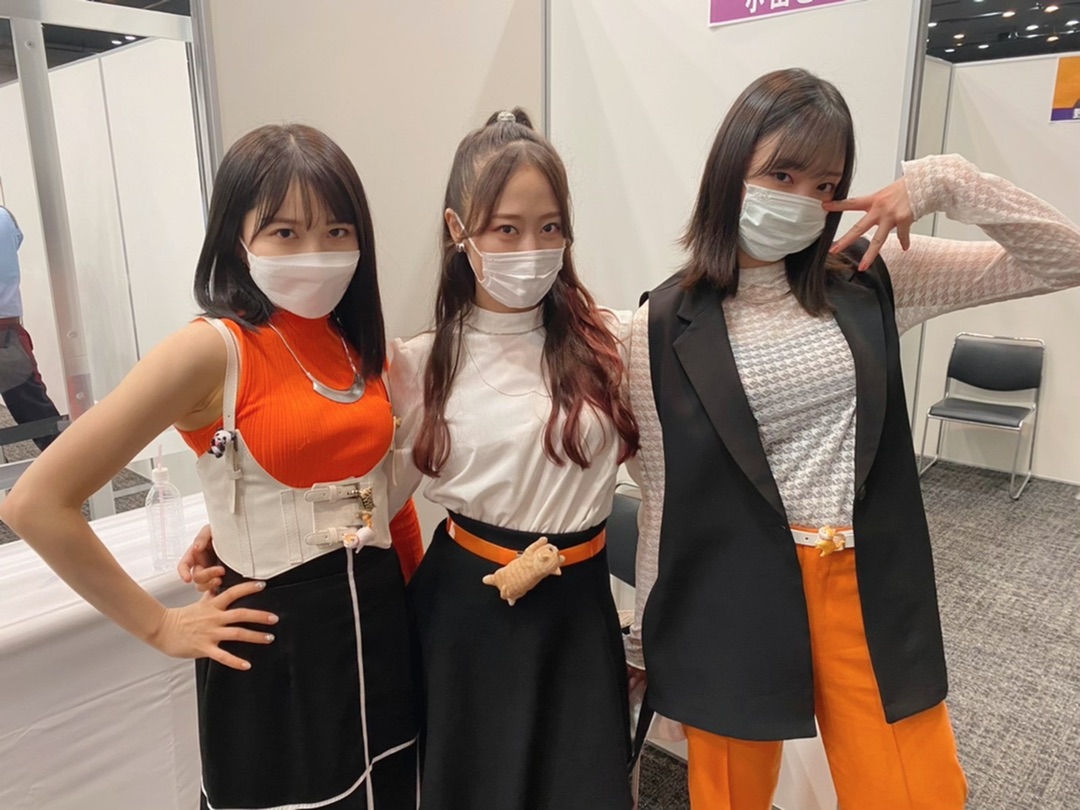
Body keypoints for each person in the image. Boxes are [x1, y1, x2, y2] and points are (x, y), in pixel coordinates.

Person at [626, 68, 1080, 810]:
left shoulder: (872, 274)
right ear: (730, 170)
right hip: (730, 595)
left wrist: (943, 183)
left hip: (861, 581)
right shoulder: (657, 323)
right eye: (782, 175)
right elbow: (662, 494)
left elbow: (1067, 258)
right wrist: (652, 642)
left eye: (825, 184)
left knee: (916, 792)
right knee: (731, 797)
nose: (803, 200)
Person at [0, 124, 424, 810]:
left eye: (337, 231)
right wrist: (160, 626)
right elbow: (35, 503)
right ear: (237, 239)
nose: (316, 252)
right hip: (276, 649)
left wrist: (417, 607)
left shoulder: (357, 344)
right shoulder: (211, 350)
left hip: (377, 625)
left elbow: (382, 494)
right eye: (285, 232)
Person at [390, 109, 638, 809]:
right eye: (506, 228)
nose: (531, 248)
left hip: (579, 609)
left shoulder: (612, 345)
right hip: (466, 614)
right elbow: (372, 502)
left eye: (550, 227)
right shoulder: (419, 362)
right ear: (457, 229)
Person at [0, 205, 63, 450]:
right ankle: (76, 464)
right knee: (38, 415)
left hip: (5, 331)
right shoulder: (4, 216)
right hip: (7, 331)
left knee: (40, 418)